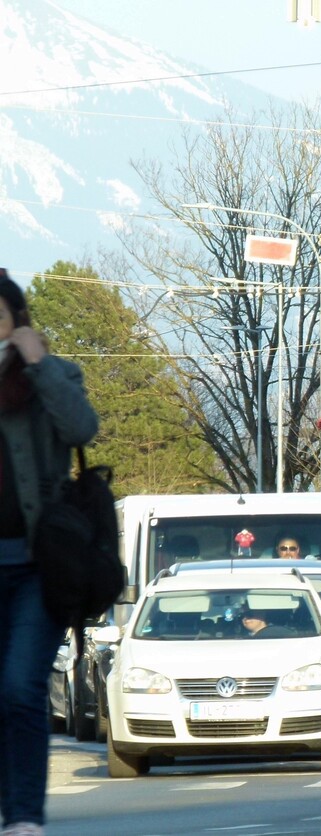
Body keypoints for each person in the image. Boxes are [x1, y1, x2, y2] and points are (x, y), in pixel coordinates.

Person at [0, 269, 98, 836]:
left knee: (20, 685)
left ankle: (23, 818)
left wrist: (38, 364)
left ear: (18, 323)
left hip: (39, 567)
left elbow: (83, 426)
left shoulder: (50, 377)